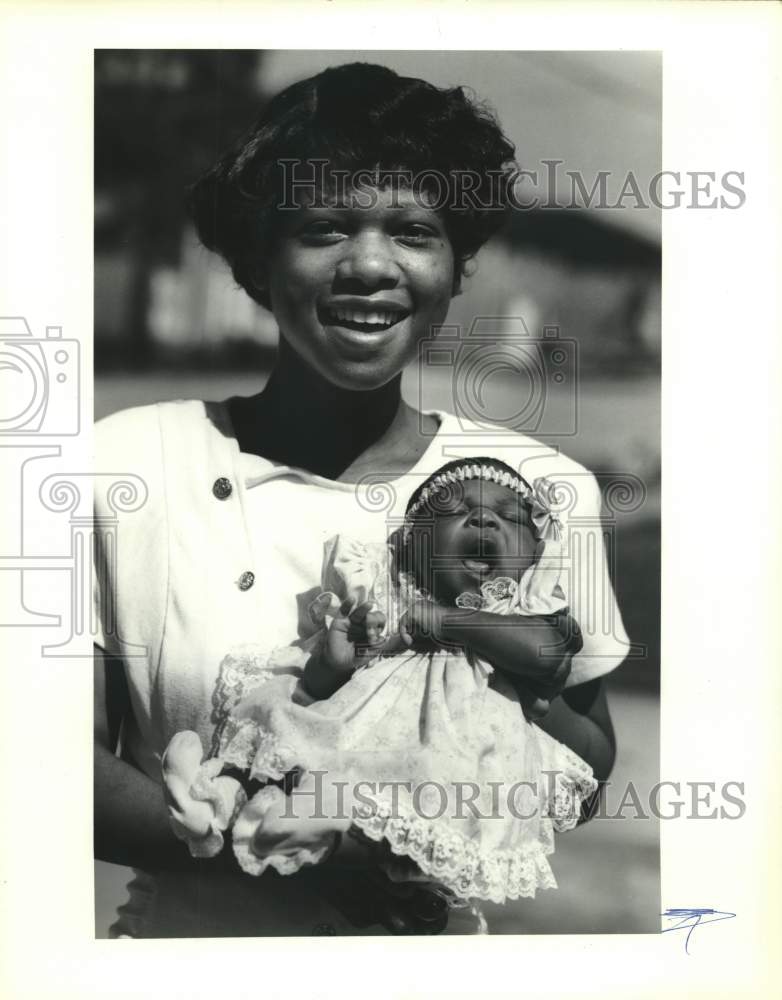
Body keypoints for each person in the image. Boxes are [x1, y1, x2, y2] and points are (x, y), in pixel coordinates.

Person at [93, 61, 629, 937]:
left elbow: (582, 772)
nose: (370, 265)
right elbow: (47, 763)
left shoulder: (538, 495)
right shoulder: (132, 466)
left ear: (456, 267)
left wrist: (503, 677)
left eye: (414, 231)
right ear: (257, 262)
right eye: (325, 228)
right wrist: (290, 852)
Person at [161, 458, 598, 922]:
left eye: (510, 516)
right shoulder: (387, 602)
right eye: (454, 511)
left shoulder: (526, 611)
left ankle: (353, 852)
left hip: (467, 756)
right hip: (365, 738)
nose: (483, 519)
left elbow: (546, 656)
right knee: (289, 721)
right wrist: (333, 664)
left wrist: (451, 622)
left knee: (432, 788)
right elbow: (324, 691)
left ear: (536, 553)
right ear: (411, 544)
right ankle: (216, 800)